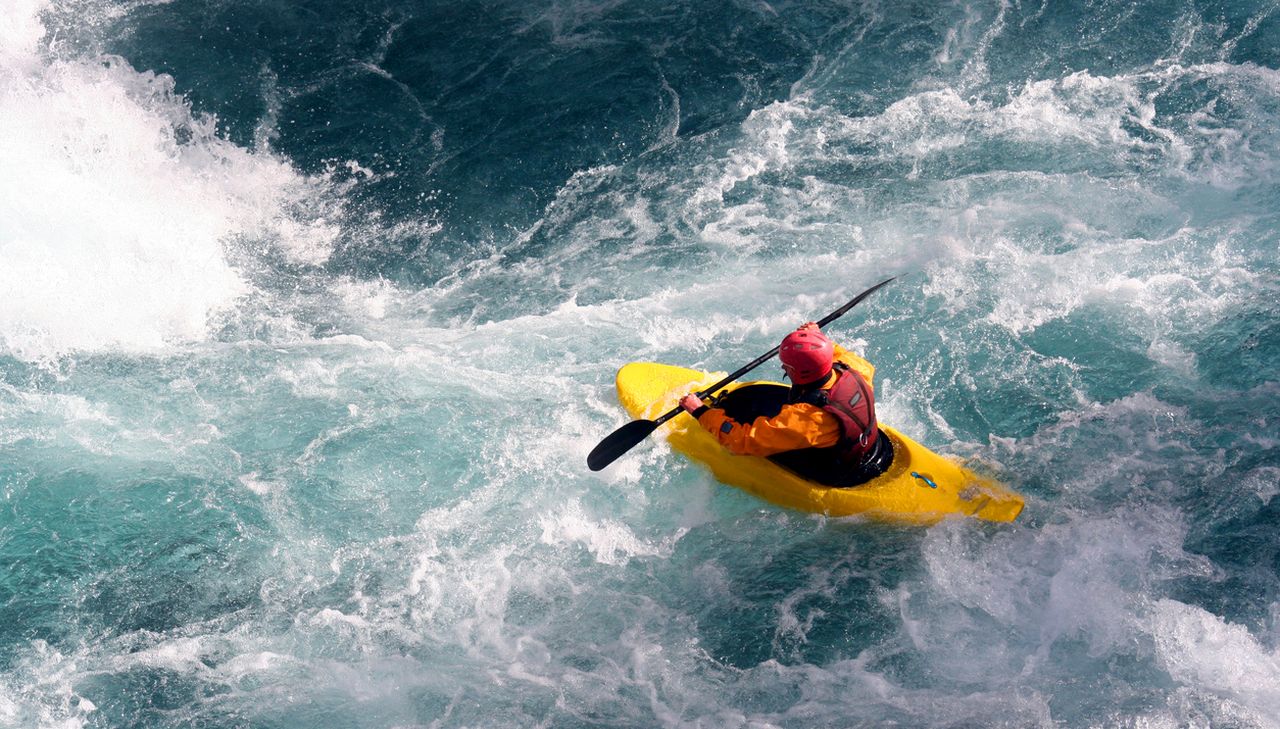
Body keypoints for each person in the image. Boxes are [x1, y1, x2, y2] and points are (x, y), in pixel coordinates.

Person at [678, 322, 894, 487]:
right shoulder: (855, 369)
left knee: (748, 432)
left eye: (786, 366)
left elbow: (743, 441)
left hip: (838, 468)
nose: (782, 365)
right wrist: (814, 336)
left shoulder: (807, 420)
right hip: (873, 447)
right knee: (755, 399)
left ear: (797, 372)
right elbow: (835, 353)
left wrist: (701, 412)